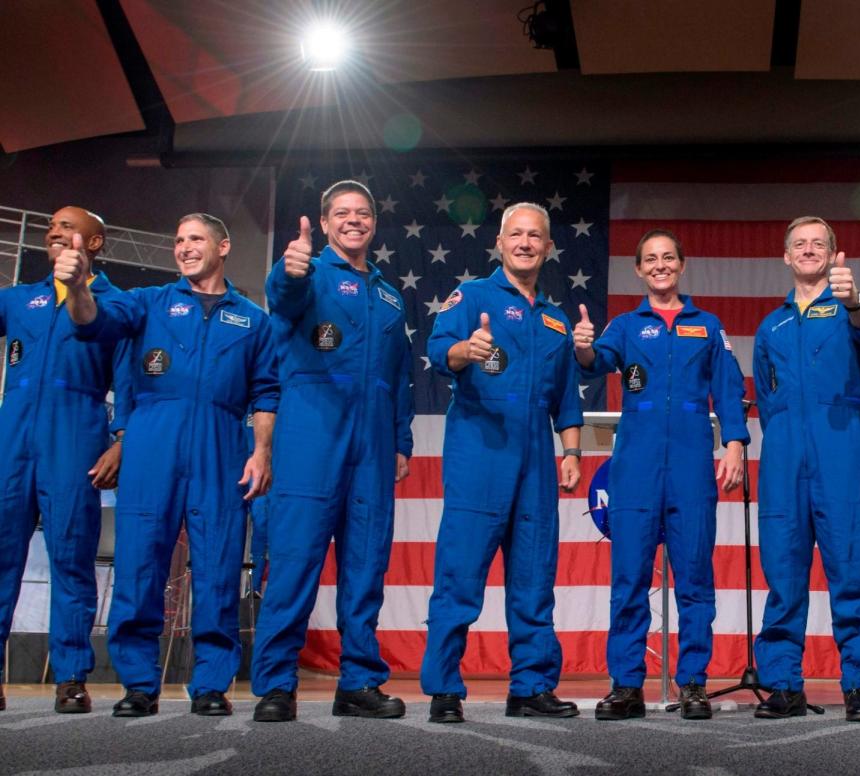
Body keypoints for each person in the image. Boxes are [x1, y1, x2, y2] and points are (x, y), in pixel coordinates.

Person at [61, 213, 278, 717]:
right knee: (139, 564)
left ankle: (210, 686)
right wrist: (75, 287)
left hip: (222, 444)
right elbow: (92, 318)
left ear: (222, 246)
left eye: (195, 239)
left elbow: (267, 391)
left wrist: (261, 451)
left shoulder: (253, 319)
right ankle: (139, 684)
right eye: (178, 240)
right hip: (152, 442)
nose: (183, 247)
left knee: (219, 568)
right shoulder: (147, 303)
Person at [250, 180, 414, 722]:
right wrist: (289, 270)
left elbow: (401, 376)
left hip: (372, 446)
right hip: (311, 438)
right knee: (295, 562)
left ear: (373, 222)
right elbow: (284, 295)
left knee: (366, 568)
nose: (353, 220)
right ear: (323, 223)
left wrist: (401, 440)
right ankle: (276, 684)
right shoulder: (308, 272)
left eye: (362, 213)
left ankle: (358, 682)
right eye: (341, 213)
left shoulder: (390, 295)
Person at [574, 228, 747, 721]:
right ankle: (627, 685)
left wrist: (733, 444)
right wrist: (584, 347)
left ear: (681, 264)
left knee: (694, 577)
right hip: (636, 466)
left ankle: (693, 681)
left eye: (668, 258)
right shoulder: (626, 325)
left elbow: (729, 391)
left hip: (692, 460)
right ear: (639, 269)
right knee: (629, 578)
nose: (660, 266)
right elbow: (595, 364)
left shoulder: (707, 326)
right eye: (650, 259)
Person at [420, 202, 582, 724]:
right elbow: (438, 347)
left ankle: (531, 687)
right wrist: (467, 349)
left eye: (536, 236)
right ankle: (445, 688)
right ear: (499, 241)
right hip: (480, 444)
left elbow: (567, 401)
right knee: (461, 572)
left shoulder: (556, 319)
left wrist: (572, 452)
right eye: (517, 234)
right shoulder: (472, 296)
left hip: (536, 450)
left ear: (549, 247)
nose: (526, 243)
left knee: (535, 576)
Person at [750, 217, 860, 721]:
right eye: (799, 245)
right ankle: (783, 684)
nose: (809, 251)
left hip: (842, 446)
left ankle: (857, 685)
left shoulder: (854, 306)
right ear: (786, 257)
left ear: (835, 254)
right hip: (785, 451)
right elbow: (766, 400)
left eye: (819, 244)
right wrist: (786, 435)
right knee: (783, 573)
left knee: (852, 569)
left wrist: (854, 302)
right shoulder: (772, 325)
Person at [0, 206, 130, 714]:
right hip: (13, 441)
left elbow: (133, 382)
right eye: (51, 226)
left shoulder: (116, 305)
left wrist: (122, 441)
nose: (54, 232)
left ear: (94, 243)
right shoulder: (19, 300)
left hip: (75, 438)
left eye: (67, 226)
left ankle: (71, 677)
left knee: (72, 562)